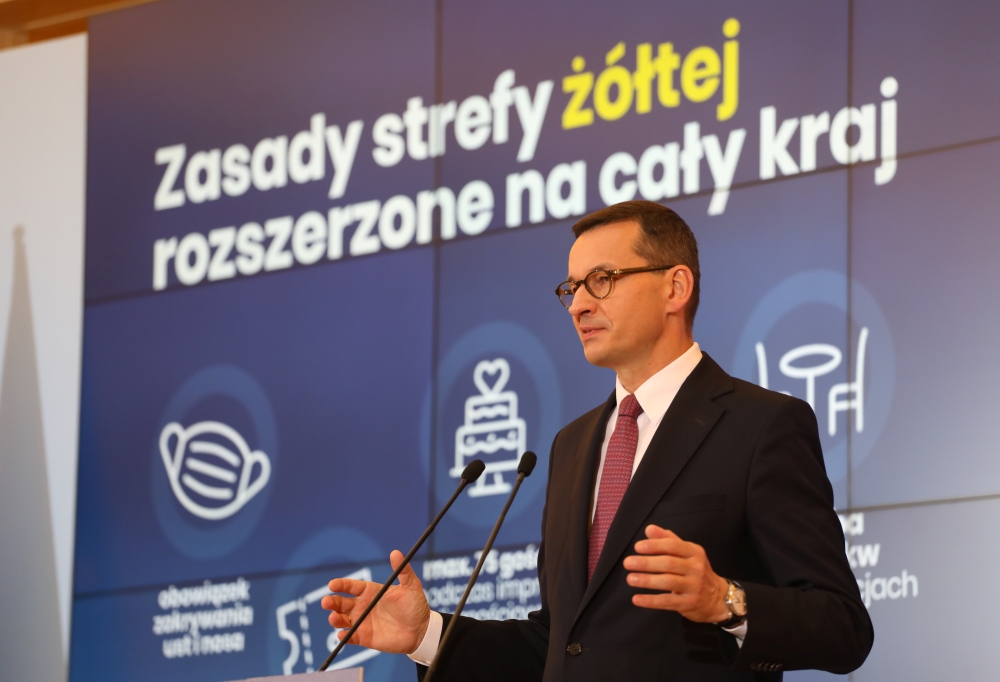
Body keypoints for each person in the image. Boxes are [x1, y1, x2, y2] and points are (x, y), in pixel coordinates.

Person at [322, 201, 873, 681]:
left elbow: (843, 627)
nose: (579, 304)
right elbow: (562, 645)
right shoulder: (572, 445)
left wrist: (725, 600)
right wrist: (428, 633)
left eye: (602, 280)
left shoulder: (760, 425)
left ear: (674, 287)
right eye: (572, 288)